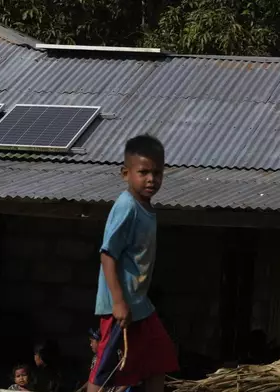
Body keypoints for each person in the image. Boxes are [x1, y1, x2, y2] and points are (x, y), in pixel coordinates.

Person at [88, 135, 178, 392]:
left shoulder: (145, 207)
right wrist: (118, 302)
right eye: (144, 172)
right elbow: (108, 254)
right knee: (105, 368)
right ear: (125, 173)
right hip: (121, 306)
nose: (152, 179)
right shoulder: (126, 206)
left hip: (140, 305)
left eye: (157, 173)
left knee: (160, 356)